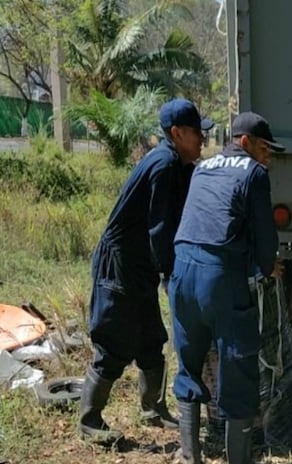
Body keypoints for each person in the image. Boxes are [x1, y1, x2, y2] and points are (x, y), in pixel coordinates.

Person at [79, 99, 212, 444]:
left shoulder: (179, 165)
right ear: (176, 133)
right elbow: (160, 228)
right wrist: (171, 274)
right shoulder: (164, 165)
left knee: (151, 338)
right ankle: (89, 421)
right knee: (113, 340)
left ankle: (153, 408)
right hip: (121, 263)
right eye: (197, 132)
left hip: (140, 265)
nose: (203, 139)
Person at [169, 111, 285, 464]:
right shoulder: (254, 174)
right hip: (219, 278)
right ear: (246, 143)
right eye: (266, 148)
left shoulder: (202, 168)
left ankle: (191, 457)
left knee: (188, 359)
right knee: (238, 363)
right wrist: (268, 265)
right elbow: (264, 236)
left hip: (182, 271)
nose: (269, 157)